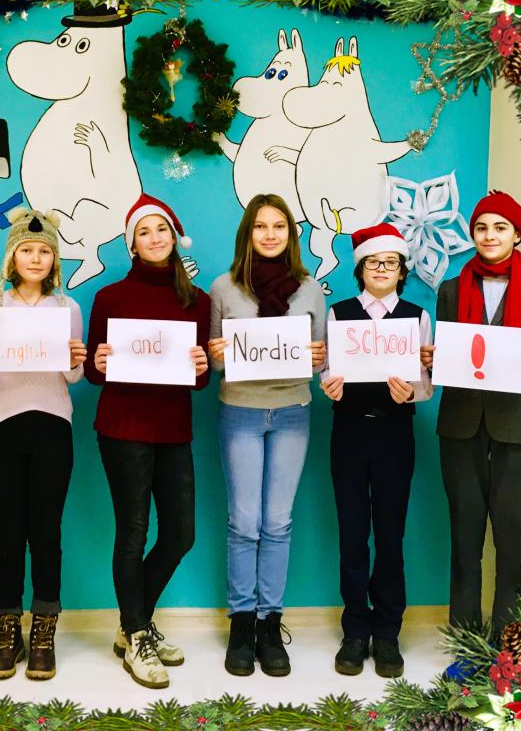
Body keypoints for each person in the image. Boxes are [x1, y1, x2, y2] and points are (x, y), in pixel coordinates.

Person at [85, 194, 210, 690]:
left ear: (175, 239)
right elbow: (95, 371)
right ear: (132, 244)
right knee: (133, 533)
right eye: (144, 232)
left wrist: (201, 366)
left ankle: (132, 622)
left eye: (162, 230)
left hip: (173, 428)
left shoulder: (197, 301)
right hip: (123, 428)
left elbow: (198, 380)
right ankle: (138, 634)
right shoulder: (110, 298)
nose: (154, 238)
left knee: (181, 533)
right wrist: (98, 361)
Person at [0, 208, 86, 681]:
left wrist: (75, 360)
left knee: (47, 531)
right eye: (26, 250)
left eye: (44, 251)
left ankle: (44, 630)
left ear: (54, 260)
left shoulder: (67, 309)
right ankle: (7, 628)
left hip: (53, 423)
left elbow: (71, 377)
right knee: (8, 533)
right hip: (2, 424)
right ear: (11, 257)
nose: (35, 258)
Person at [421, 190, 521, 635]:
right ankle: (464, 636)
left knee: (513, 537)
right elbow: (447, 354)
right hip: (461, 424)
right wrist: (432, 358)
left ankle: (508, 638)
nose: (489, 235)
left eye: (500, 227)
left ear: (517, 234)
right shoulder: (451, 289)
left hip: (519, 424)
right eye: (481, 227)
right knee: (465, 535)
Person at [207, 194, 327, 678]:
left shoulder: (310, 290)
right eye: (261, 226)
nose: (271, 234)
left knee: (278, 521)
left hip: (293, 411)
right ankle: (241, 624)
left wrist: (318, 358)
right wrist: (217, 353)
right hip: (240, 411)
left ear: (291, 234)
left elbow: (318, 360)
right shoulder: (224, 288)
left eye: (279, 226)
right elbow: (214, 360)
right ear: (248, 234)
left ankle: (269, 623)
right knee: (244, 521)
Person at [320, 224, 433, 679]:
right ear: (360, 268)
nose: (381, 269)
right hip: (348, 433)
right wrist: (328, 385)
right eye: (373, 262)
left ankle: (387, 631)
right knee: (352, 535)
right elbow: (328, 370)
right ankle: (355, 628)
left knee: (389, 535)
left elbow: (425, 382)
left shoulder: (416, 317)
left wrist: (413, 391)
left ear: (402, 270)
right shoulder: (339, 313)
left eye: (390, 262)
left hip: (394, 434)